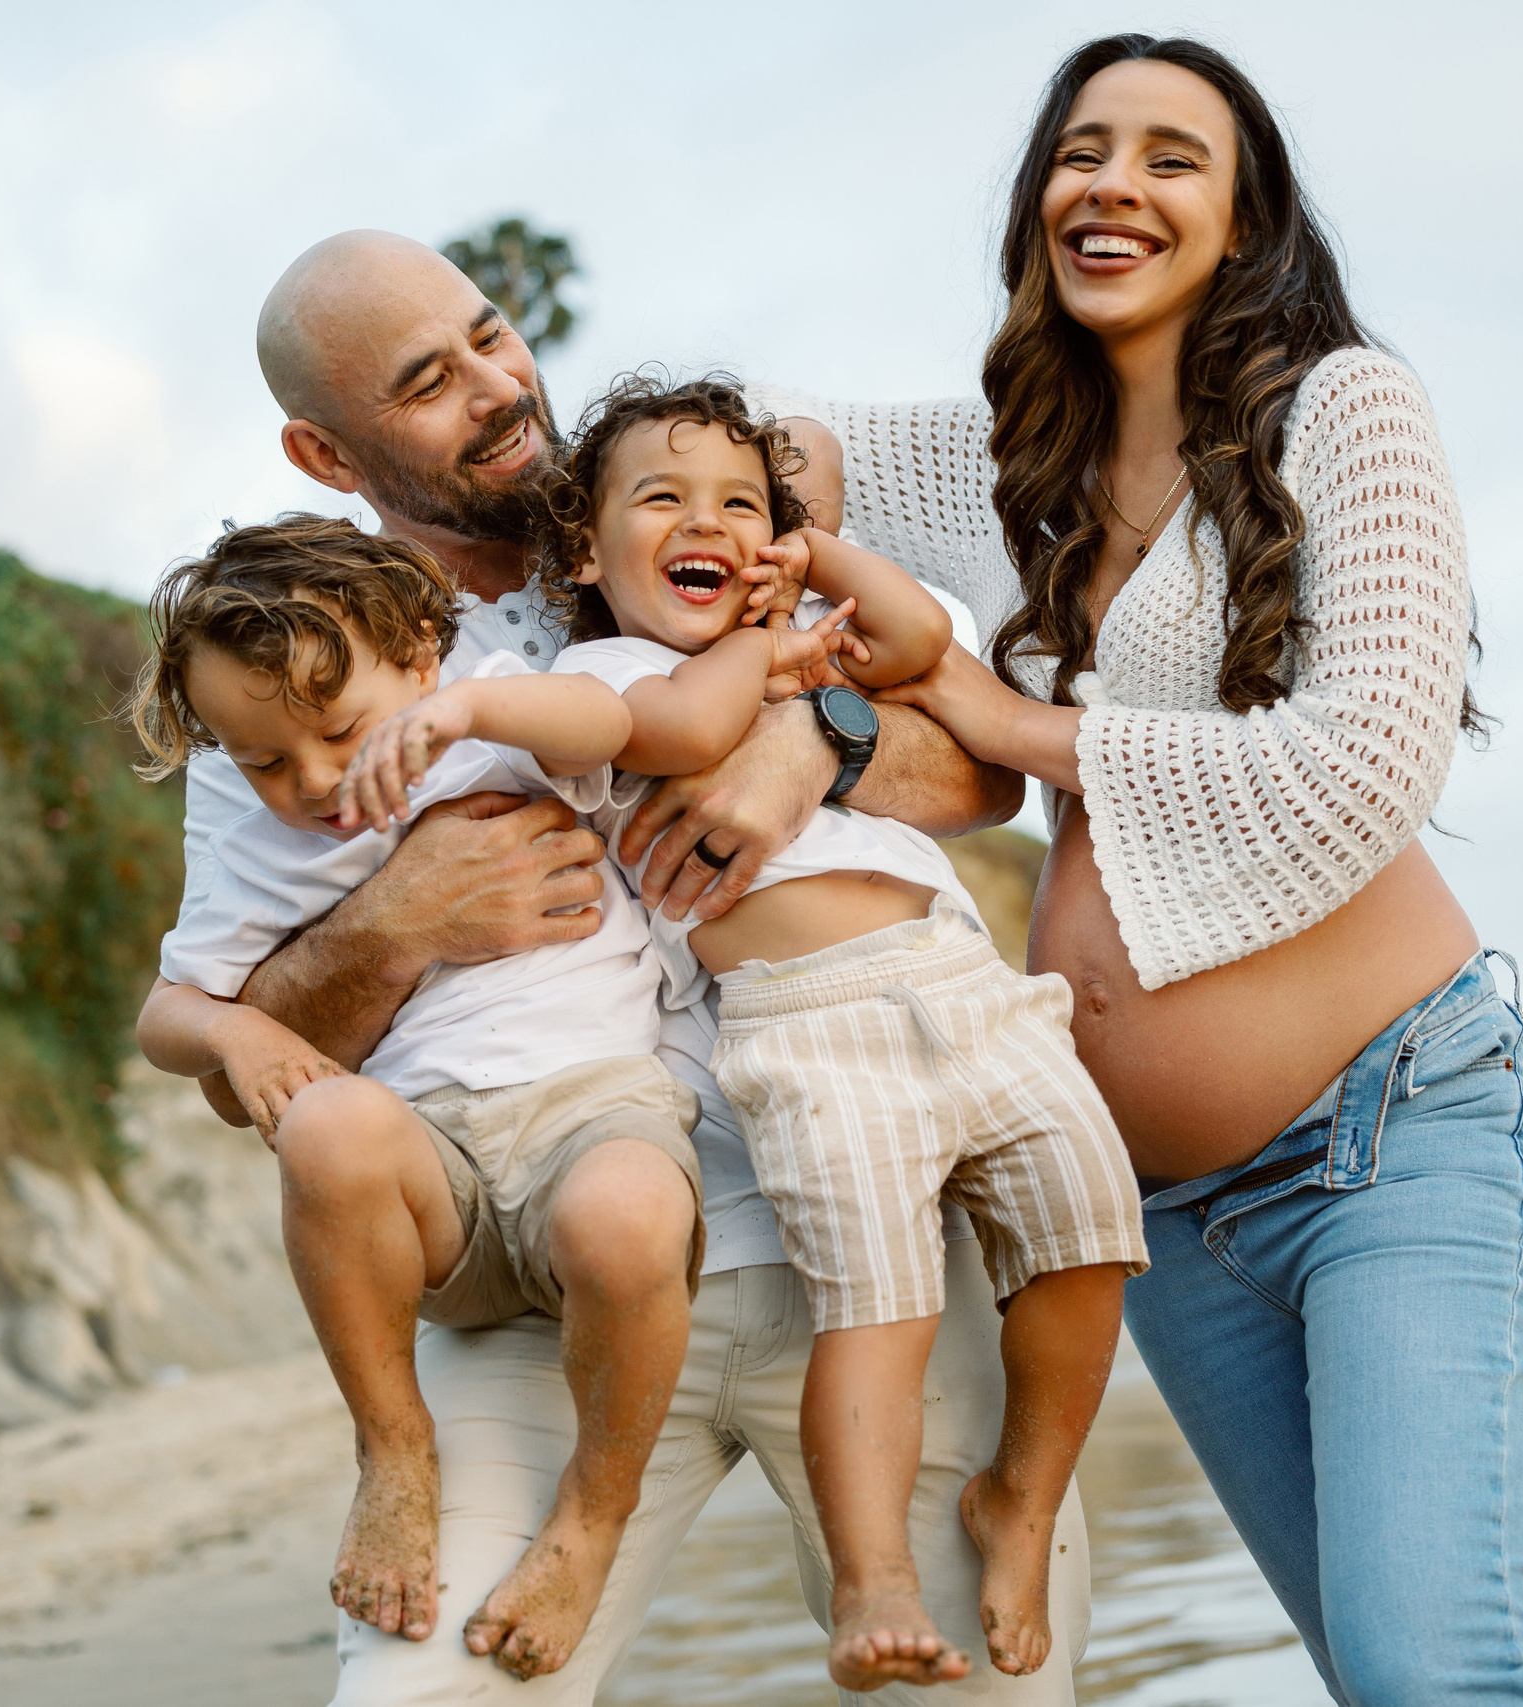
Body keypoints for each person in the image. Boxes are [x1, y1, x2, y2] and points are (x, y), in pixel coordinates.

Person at [757, 34, 1523, 1707]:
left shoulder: (1347, 407)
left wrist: (1011, 718)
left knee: (1439, 1675)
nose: (1113, 182)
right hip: (1172, 1217)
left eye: (1171, 156)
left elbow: (1365, 761)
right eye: (1082, 148)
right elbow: (743, 464)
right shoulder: (1009, 463)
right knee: (1377, 1680)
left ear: (1245, 216)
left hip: (1394, 1134)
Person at [171, 229, 1089, 1703]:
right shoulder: (304, 680)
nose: (496, 385)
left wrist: (804, 742)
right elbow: (249, 1069)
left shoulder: (678, 511)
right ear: (324, 451)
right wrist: (395, 917)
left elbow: (976, 770)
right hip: (553, 1275)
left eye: (491, 334)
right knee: (421, 1690)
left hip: (859, 1233)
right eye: (427, 381)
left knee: (983, 1682)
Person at [533, 373, 1147, 1686]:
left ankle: (1020, 1501)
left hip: (960, 982)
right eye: (665, 500)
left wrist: (818, 566)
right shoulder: (611, 670)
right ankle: (873, 1572)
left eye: (744, 505)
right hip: (810, 1025)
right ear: (587, 550)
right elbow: (695, 732)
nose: (714, 523)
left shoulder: (815, 619)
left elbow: (922, 634)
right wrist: (782, 658)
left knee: (1090, 1226)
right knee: (879, 1297)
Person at [129, 517, 773, 1675]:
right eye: (263, 759)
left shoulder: (501, 717)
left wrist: (470, 714)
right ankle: (392, 1450)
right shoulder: (262, 839)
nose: (314, 783)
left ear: (425, 657)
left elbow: (616, 720)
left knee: (627, 1217)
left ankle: (592, 1515)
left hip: (596, 1115)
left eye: (339, 731)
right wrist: (231, 1029)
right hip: (434, 1169)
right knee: (324, 1125)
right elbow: (165, 1014)